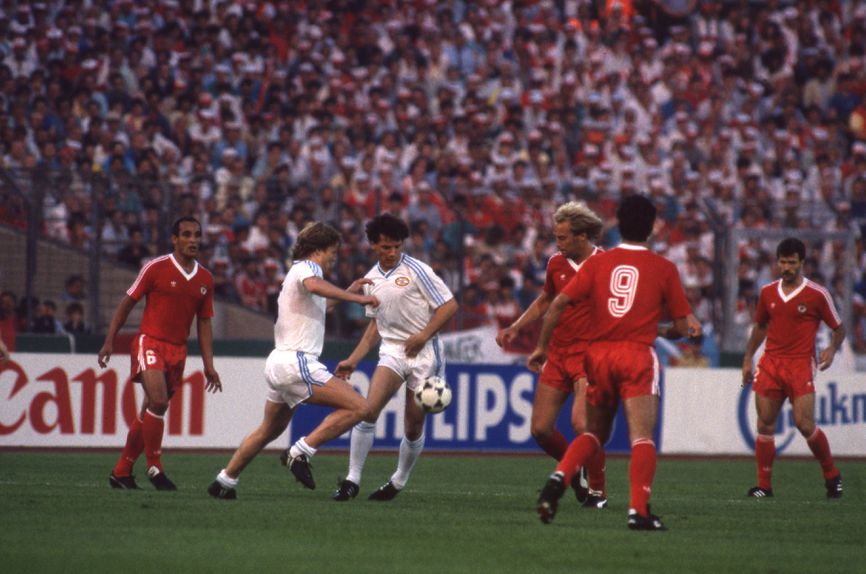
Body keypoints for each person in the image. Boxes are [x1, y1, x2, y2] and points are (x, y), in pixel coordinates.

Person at [531, 194, 700, 530]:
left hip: (597, 355)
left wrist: (541, 346)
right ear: (652, 228)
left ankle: (559, 478)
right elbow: (683, 327)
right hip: (635, 355)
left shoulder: (598, 263)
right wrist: (674, 329)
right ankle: (639, 511)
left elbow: (560, 302)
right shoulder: (663, 268)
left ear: (618, 225)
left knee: (593, 433)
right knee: (641, 437)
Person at [207, 222, 380, 499]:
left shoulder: (296, 274)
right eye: (332, 252)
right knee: (362, 408)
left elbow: (319, 303)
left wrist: (349, 291)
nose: (334, 257)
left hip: (279, 362)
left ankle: (224, 481)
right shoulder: (308, 269)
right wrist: (355, 298)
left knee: (269, 429)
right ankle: (300, 452)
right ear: (318, 249)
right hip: (297, 362)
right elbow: (315, 285)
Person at [332, 213, 458, 502]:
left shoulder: (418, 270)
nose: (392, 252)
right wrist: (353, 358)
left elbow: (450, 306)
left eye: (396, 247)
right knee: (367, 410)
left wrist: (423, 335)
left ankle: (398, 481)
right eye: (385, 247)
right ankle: (352, 479)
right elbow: (375, 325)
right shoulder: (371, 279)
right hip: (392, 350)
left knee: (413, 424)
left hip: (425, 352)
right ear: (373, 245)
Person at [495, 201, 607, 507]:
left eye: (563, 238)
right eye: (556, 237)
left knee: (582, 424)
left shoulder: (606, 265)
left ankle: (597, 491)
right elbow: (546, 299)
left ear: (582, 237)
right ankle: (577, 468)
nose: (557, 244)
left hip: (589, 356)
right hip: (557, 355)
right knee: (541, 430)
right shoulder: (556, 264)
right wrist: (515, 327)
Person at [98, 216, 222, 491]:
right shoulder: (155, 268)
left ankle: (122, 471)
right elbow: (127, 303)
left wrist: (208, 365)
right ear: (174, 239)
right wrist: (110, 340)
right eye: (187, 235)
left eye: (196, 235)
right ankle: (155, 467)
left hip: (177, 350)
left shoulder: (205, 279)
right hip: (150, 342)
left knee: (149, 411)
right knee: (159, 401)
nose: (193, 240)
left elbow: (204, 323)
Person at [741, 237, 845, 499]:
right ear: (777, 262)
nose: (786, 267)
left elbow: (839, 328)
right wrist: (747, 358)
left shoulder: (817, 294)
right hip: (771, 363)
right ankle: (764, 486)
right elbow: (761, 327)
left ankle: (832, 475)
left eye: (791, 262)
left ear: (802, 263)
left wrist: (831, 349)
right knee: (765, 423)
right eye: (782, 262)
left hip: (800, 365)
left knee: (804, 423)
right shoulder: (767, 292)